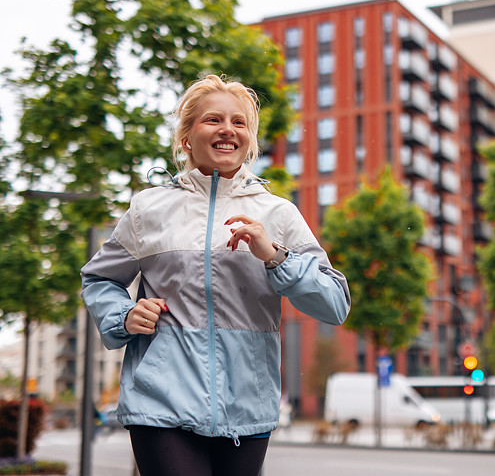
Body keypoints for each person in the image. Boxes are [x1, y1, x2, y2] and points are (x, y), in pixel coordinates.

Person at [81, 74, 350, 476]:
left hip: (247, 405)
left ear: (249, 139)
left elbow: (334, 303)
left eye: (239, 123)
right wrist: (123, 315)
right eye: (213, 120)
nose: (227, 130)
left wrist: (275, 256)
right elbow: (100, 279)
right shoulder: (148, 210)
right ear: (187, 137)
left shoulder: (278, 214)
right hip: (160, 402)